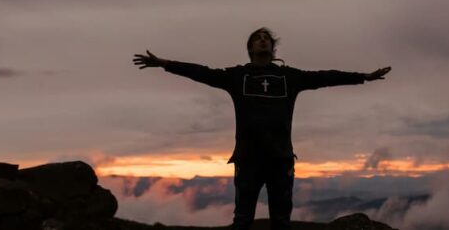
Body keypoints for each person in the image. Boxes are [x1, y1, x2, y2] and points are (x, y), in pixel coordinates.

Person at [132, 27, 391, 230]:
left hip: (280, 159)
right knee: (243, 219)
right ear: (250, 48)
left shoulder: (290, 77)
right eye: (258, 38)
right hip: (248, 159)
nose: (263, 40)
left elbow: (326, 77)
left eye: (267, 38)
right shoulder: (237, 77)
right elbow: (201, 73)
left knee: (281, 221)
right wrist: (165, 63)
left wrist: (363, 77)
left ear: (273, 47)